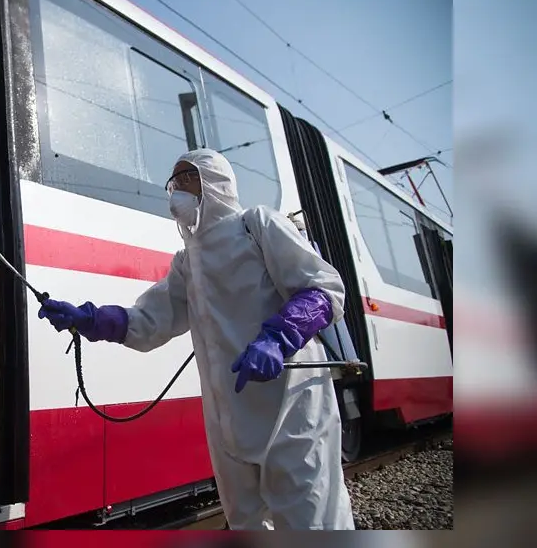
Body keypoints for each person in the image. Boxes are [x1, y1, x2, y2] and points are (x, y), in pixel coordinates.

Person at [38, 148, 355, 530]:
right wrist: (89, 319)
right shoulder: (188, 261)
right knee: (245, 522)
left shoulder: (257, 225)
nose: (176, 190)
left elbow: (325, 289)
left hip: (291, 405)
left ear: (214, 182)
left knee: (311, 518)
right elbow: (150, 320)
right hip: (229, 416)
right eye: (173, 183)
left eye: (186, 178)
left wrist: (278, 338)